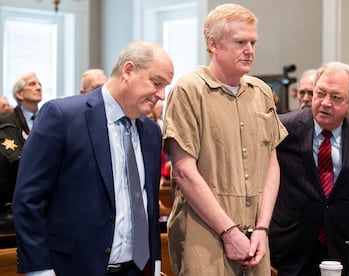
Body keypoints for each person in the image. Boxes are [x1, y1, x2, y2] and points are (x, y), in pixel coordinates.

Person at [13, 40, 174, 275]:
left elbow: (146, 206)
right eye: (156, 83)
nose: (161, 95)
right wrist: (40, 270)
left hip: (138, 268)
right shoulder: (62, 116)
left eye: (165, 86)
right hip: (75, 267)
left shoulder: (150, 132)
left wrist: (155, 264)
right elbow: (29, 200)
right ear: (128, 71)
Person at [163, 4, 288, 275]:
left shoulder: (262, 92)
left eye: (253, 42)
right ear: (213, 44)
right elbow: (184, 172)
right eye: (240, 41)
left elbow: (272, 165)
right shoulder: (189, 90)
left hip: (255, 234)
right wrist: (229, 231)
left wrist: (263, 228)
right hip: (203, 234)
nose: (250, 49)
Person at [269, 62, 349, 276]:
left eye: (336, 97)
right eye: (320, 93)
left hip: (344, 251)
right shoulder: (283, 129)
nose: (325, 103)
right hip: (291, 250)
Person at [0, 73, 42, 229]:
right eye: (32, 84)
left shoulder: (49, 117)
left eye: (40, 84)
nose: (38, 87)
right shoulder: (6, 122)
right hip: (18, 192)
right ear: (19, 94)